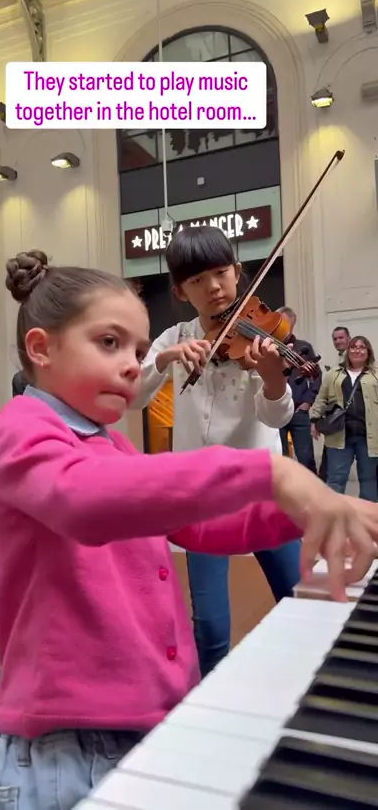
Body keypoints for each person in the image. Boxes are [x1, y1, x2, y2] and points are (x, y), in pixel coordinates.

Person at [0, 249, 377, 810]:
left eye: (138, 350)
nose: (132, 365)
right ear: (41, 348)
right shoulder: (21, 426)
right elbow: (85, 500)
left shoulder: (111, 445)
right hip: (64, 748)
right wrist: (267, 471)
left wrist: (318, 509)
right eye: (110, 342)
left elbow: (198, 522)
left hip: (151, 719)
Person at [133, 226, 300, 676]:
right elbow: (132, 397)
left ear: (238, 272)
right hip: (200, 496)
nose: (213, 287)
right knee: (209, 627)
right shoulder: (175, 338)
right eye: (197, 280)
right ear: (180, 291)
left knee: (298, 597)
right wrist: (163, 359)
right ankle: (208, 699)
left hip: (262, 490)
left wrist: (272, 378)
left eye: (221, 273)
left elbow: (276, 417)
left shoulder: (259, 336)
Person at [311, 335, 378, 501]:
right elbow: (321, 398)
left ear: (368, 352)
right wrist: (314, 420)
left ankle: (367, 514)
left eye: (362, 347)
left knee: (369, 480)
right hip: (339, 435)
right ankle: (333, 513)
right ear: (348, 351)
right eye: (354, 347)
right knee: (336, 479)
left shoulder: (375, 374)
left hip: (368, 437)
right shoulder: (334, 374)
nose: (357, 350)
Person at [277, 306, 321, 473]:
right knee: (279, 457)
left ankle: (310, 488)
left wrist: (308, 401)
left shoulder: (304, 347)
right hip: (276, 410)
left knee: (306, 457)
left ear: (292, 324)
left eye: (283, 323)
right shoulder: (270, 347)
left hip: (298, 411)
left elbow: (316, 375)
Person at [320, 326, 351, 482]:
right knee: (330, 460)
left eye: (341, 338)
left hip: (353, 417)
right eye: (335, 339)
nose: (338, 341)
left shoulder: (356, 359)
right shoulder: (335, 361)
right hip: (336, 416)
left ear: (348, 339)